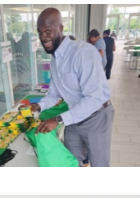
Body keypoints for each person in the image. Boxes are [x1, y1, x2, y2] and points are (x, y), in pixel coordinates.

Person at [31, 8, 114, 167]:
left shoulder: (83, 52)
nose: (43, 37)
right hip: (74, 116)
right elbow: (54, 94)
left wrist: (58, 119)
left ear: (60, 28)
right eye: (40, 32)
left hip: (97, 117)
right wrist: (39, 106)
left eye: (48, 31)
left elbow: (94, 98)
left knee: (100, 165)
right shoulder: (55, 58)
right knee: (70, 161)